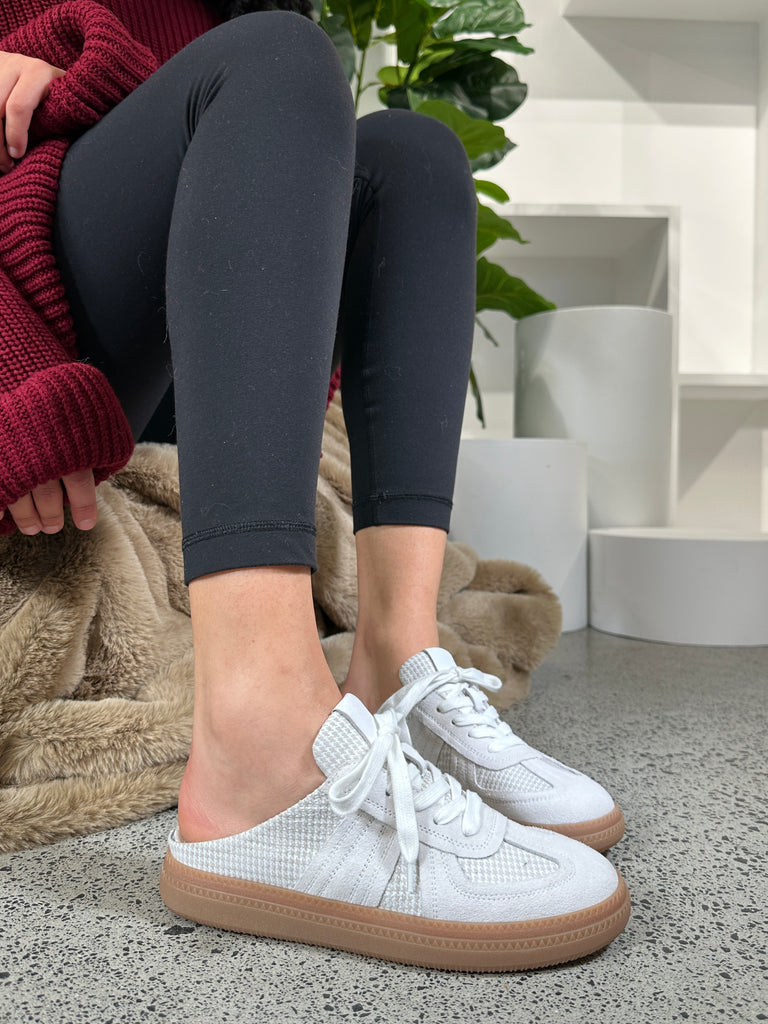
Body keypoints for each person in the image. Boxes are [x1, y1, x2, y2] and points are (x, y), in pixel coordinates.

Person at [0, 0, 629, 971]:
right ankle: (258, 753)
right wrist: (13, 368)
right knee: (276, 60)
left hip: (148, 311)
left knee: (414, 157)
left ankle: (396, 664)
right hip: (27, 286)